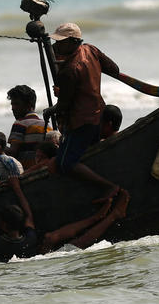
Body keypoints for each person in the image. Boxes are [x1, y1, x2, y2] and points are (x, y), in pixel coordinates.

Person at [48, 23, 121, 184]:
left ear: (73, 42)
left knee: (64, 164)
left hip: (81, 122)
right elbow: (114, 69)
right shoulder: (91, 49)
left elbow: (64, 105)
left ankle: (108, 187)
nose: (57, 45)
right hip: (98, 114)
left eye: (61, 42)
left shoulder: (69, 70)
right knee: (90, 155)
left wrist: (51, 110)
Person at [0, 182, 129, 262]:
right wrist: (17, 187)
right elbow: (29, 215)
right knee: (76, 244)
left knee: (51, 237)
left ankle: (97, 217)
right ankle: (112, 215)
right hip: (39, 259)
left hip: (35, 258)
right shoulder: (29, 238)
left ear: (3, 225)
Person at [5, 84, 47, 169]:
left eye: (16, 104)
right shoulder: (45, 124)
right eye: (12, 104)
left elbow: (12, 153)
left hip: (26, 171)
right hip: (42, 169)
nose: (13, 108)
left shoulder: (20, 124)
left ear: (28, 105)